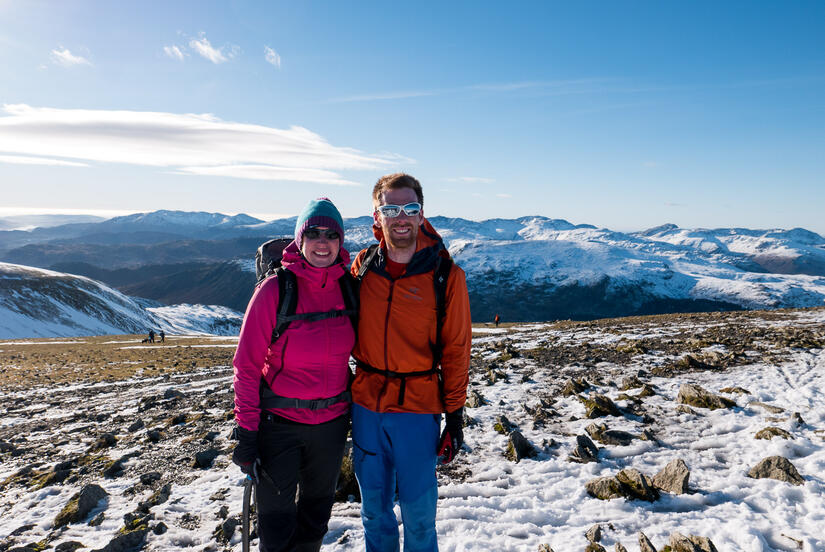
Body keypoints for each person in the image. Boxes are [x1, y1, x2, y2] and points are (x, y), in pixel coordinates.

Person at [350, 173, 471, 552]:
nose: (400, 217)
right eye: (390, 208)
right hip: (366, 404)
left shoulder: (446, 276)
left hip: (417, 408)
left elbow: (455, 349)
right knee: (373, 512)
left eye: (410, 208)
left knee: (419, 517)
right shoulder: (362, 267)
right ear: (376, 215)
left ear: (422, 214)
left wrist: (454, 416)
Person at [232, 198, 355, 552]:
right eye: (313, 233)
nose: (322, 242)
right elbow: (246, 366)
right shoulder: (275, 290)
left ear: (340, 241)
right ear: (299, 239)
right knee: (277, 523)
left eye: (331, 235)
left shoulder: (348, 288)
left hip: (331, 426)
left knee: (315, 520)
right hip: (279, 426)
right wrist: (247, 432)